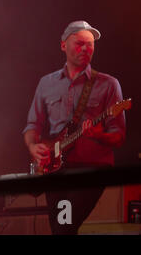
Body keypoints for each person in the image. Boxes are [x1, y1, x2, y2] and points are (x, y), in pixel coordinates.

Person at [23, 21, 126, 235]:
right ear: (63, 46)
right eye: (79, 43)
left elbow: (119, 136)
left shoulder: (109, 84)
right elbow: (32, 125)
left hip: (90, 170)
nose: (86, 49)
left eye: (90, 44)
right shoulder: (46, 83)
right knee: (61, 230)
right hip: (55, 169)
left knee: (64, 227)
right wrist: (34, 147)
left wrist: (98, 135)